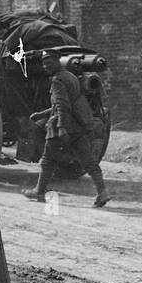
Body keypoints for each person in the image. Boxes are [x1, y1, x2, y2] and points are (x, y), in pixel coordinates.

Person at [23, 52, 110, 207]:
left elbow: (63, 106)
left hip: (60, 127)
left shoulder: (57, 81)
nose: (46, 66)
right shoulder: (71, 76)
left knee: (48, 160)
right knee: (89, 162)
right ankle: (102, 192)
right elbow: (62, 104)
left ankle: (39, 191)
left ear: (58, 62)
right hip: (78, 126)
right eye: (44, 63)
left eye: (49, 63)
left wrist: (62, 127)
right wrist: (41, 114)